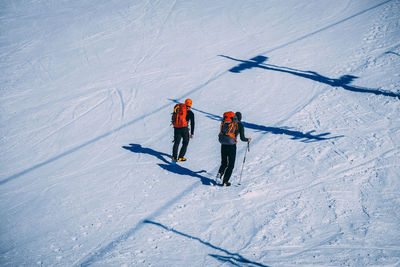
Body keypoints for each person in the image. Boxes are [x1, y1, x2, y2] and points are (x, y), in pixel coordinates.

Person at [217, 111, 251, 186]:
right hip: (232, 145)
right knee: (231, 164)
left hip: (223, 143)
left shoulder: (227, 123)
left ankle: (220, 173)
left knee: (224, 162)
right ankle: (225, 181)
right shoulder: (240, 125)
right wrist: (247, 139)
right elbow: (242, 138)